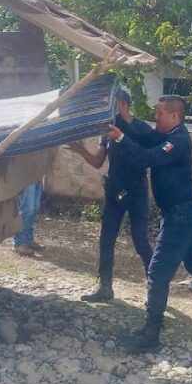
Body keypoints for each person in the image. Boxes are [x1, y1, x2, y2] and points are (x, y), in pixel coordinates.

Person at [108, 95, 192, 353]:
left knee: (157, 272)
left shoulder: (177, 140)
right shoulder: (168, 135)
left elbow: (147, 157)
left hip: (180, 216)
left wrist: (120, 138)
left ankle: (150, 334)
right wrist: (123, 121)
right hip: (180, 214)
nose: (155, 116)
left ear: (175, 116)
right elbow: (144, 136)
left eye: (159, 113)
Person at [69, 90, 153, 302]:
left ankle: (156, 288)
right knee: (106, 239)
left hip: (137, 191)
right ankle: (105, 287)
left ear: (123, 104)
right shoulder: (106, 130)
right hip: (115, 191)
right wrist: (80, 150)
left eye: (110, 103)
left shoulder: (142, 129)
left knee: (141, 240)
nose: (106, 108)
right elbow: (98, 162)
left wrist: (123, 139)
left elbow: (147, 160)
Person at [12, 180, 44, 257]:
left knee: (35, 207)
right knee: (27, 209)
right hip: (26, 174)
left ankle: (29, 239)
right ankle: (19, 243)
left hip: (38, 173)